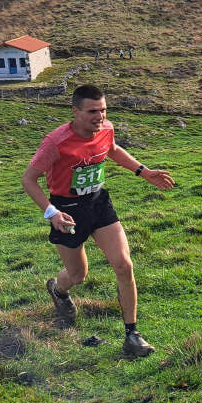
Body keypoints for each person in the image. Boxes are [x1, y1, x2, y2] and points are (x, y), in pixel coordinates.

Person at [21, 84, 175, 357]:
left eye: (103, 110)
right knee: (78, 276)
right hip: (66, 211)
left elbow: (113, 149)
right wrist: (51, 212)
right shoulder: (55, 142)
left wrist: (143, 171)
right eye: (93, 111)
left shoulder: (106, 128)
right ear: (75, 112)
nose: (100, 117)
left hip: (98, 203)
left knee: (124, 264)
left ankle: (132, 335)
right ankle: (58, 289)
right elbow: (28, 180)